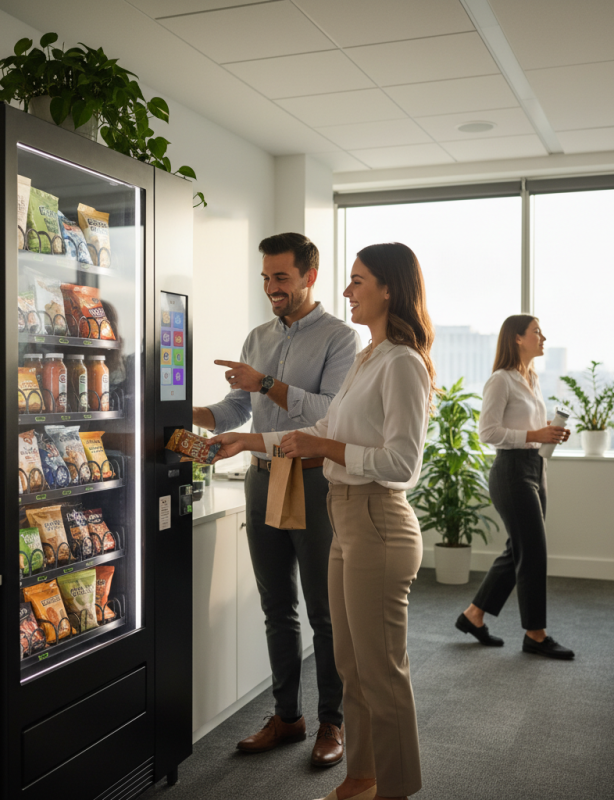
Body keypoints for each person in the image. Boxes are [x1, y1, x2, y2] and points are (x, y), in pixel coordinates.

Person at [211, 242, 436, 800]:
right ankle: (360, 779)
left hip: (378, 519)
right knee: (352, 666)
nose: (346, 291)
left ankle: (395, 789)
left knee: (381, 670)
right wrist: (247, 441)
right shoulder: (369, 357)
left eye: (358, 281)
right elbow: (320, 430)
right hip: (346, 516)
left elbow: (402, 465)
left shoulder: (403, 363)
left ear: (389, 288)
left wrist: (327, 449)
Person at [193, 232, 361, 767]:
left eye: (281, 277)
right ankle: (287, 717)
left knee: (325, 610)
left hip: (313, 480)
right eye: (266, 278)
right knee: (276, 607)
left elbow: (329, 412)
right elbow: (236, 409)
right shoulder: (257, 337)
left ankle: (333, 722)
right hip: (262, 477)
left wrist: (266, 382)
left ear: (310, 276)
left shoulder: (342, 338)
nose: (271, 288)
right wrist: (180, 411)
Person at [456, 315, 575, 660]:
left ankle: (473, 615)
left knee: (519, 549)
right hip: (511, 471)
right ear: (518, 338)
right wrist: (536, 434)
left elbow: (527, 428)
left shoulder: (531, 378)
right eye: (537, 332)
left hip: (536, 466)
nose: (543, 337)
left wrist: (548, 431)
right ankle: (535, 635)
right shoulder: (500, 380)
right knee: (533, 551)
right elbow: (488, 432)